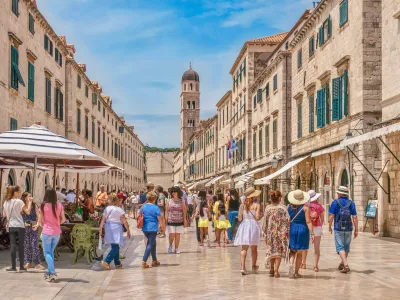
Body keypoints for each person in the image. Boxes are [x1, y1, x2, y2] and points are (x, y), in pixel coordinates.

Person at [37, 188, 66, 282]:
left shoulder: (42, 206)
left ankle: (53, 272)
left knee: (47, 253)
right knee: (51, 252)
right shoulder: (59, 205)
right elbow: (63, 219)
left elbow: (39, 222)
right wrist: (57, 224)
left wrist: (45, 226)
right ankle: (49, 273)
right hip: (57, 232)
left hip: (47, 232)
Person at [329, 186, 358, 274]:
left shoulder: (335, 203)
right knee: (346, 247)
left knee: (340, 246)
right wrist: (356, 229)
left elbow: (331, 216)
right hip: (349, 227)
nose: (337, 194)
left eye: (338, 193)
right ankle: (342, 263)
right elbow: (355, 217)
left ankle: (345, 265)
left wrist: (329, 226)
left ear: (341, 193)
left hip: (338, 227)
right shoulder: (351, 203)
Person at [2, 185, 31, 272]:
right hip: (20, 225)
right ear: (15, 192)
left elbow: (4, 215)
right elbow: (28, 211)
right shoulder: (19, 201)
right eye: (19, 191)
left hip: (11, 225)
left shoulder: (5, 202)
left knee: (13, 246)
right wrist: (29, 202)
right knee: (21, 246)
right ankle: (21, 266)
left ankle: (13, 267)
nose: (20, 193)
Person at [287, 190, 314, 279]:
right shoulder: (306, 208)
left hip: (292, 228)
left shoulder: (289, 207)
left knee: (292, 251)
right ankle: (296, 272)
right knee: (299, 253)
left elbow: (288, 219)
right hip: (303, 229)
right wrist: (312, 233)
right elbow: (308, 221)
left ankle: (291, 264)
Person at [234, 187, 261, 275]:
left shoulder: (242, 205)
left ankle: (243, 267)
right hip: (253, 226)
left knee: (244, 248)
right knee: (254, 248)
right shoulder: (257, 205)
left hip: (244, 226)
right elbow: (257, 218)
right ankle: (253, 265)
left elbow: (239, 218)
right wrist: (261, 215)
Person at [100, 194, 131, 270]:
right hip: (116, 228)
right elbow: (124, 221)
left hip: (108, 227)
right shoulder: (119, 209)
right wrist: (128, 230)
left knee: (115, 245)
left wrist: (100, 229)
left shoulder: (106, 209)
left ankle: (117, 263)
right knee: (116, 245)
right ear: (116, 201)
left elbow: (103, 220)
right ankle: (107, 261)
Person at [263, 190, 289, 278]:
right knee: (278, 252)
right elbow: (287, 221)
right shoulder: (283, 208)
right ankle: (276, 271)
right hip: (280, 233)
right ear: (279, 198)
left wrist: (264, 232)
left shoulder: (268, 208)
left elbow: (264, 222)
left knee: (271, 250)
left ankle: (271, 268)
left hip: (270, 233)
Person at [21, 192, 45, 270]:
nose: (31, 197)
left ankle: (37, 263)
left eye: (31, 196)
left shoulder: (34, 205)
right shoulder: (22, 205)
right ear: (25, 198)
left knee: (34, 244)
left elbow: (39, 215)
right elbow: (27, 211)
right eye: (29, 196)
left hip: (33, 227)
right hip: (25, 227)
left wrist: (38, 224)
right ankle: (28, 262)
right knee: (27, 245)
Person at [140, 191, 163, 268]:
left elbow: (139, 214)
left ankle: (154, 260)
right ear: (154, 199)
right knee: (150, 244)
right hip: (153, 228)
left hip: (145, 228)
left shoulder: (143, 207)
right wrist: (161, 226)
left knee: (153, 243)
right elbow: (159, 218)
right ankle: (144, 260)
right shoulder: (156, 207)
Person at [304, 190, 325, 272]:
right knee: (316, 248)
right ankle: (315, 266)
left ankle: (303, 263)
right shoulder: (319, 206)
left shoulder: (305, 205)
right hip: (317, 227)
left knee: (305, 246)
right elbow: (322, 217)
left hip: (307, 227)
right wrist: (321, 225)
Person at [165, 186, 187, 254]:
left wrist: (185, 220)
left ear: (178, 192)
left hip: (179, 220)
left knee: (177, 235)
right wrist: (165, 221)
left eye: (175, 191)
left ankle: (176, 248)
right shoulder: (169, 200)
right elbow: (166, 211)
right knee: (171, 234)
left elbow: (184, 211)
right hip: (171, 220)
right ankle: (170, 246)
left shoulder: (182, 201)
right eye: (172, 192)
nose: (173, 193)